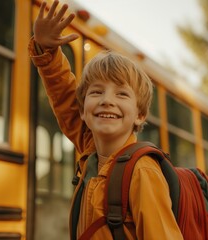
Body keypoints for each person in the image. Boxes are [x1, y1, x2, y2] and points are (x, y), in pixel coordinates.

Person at [28, 1, 183, 239]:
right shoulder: (90, 152)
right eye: (96, 92)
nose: (106, 101)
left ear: (140, 115)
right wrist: (47, 53)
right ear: (82, 110)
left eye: (121, 94)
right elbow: (64, 97)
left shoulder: (142, 172)